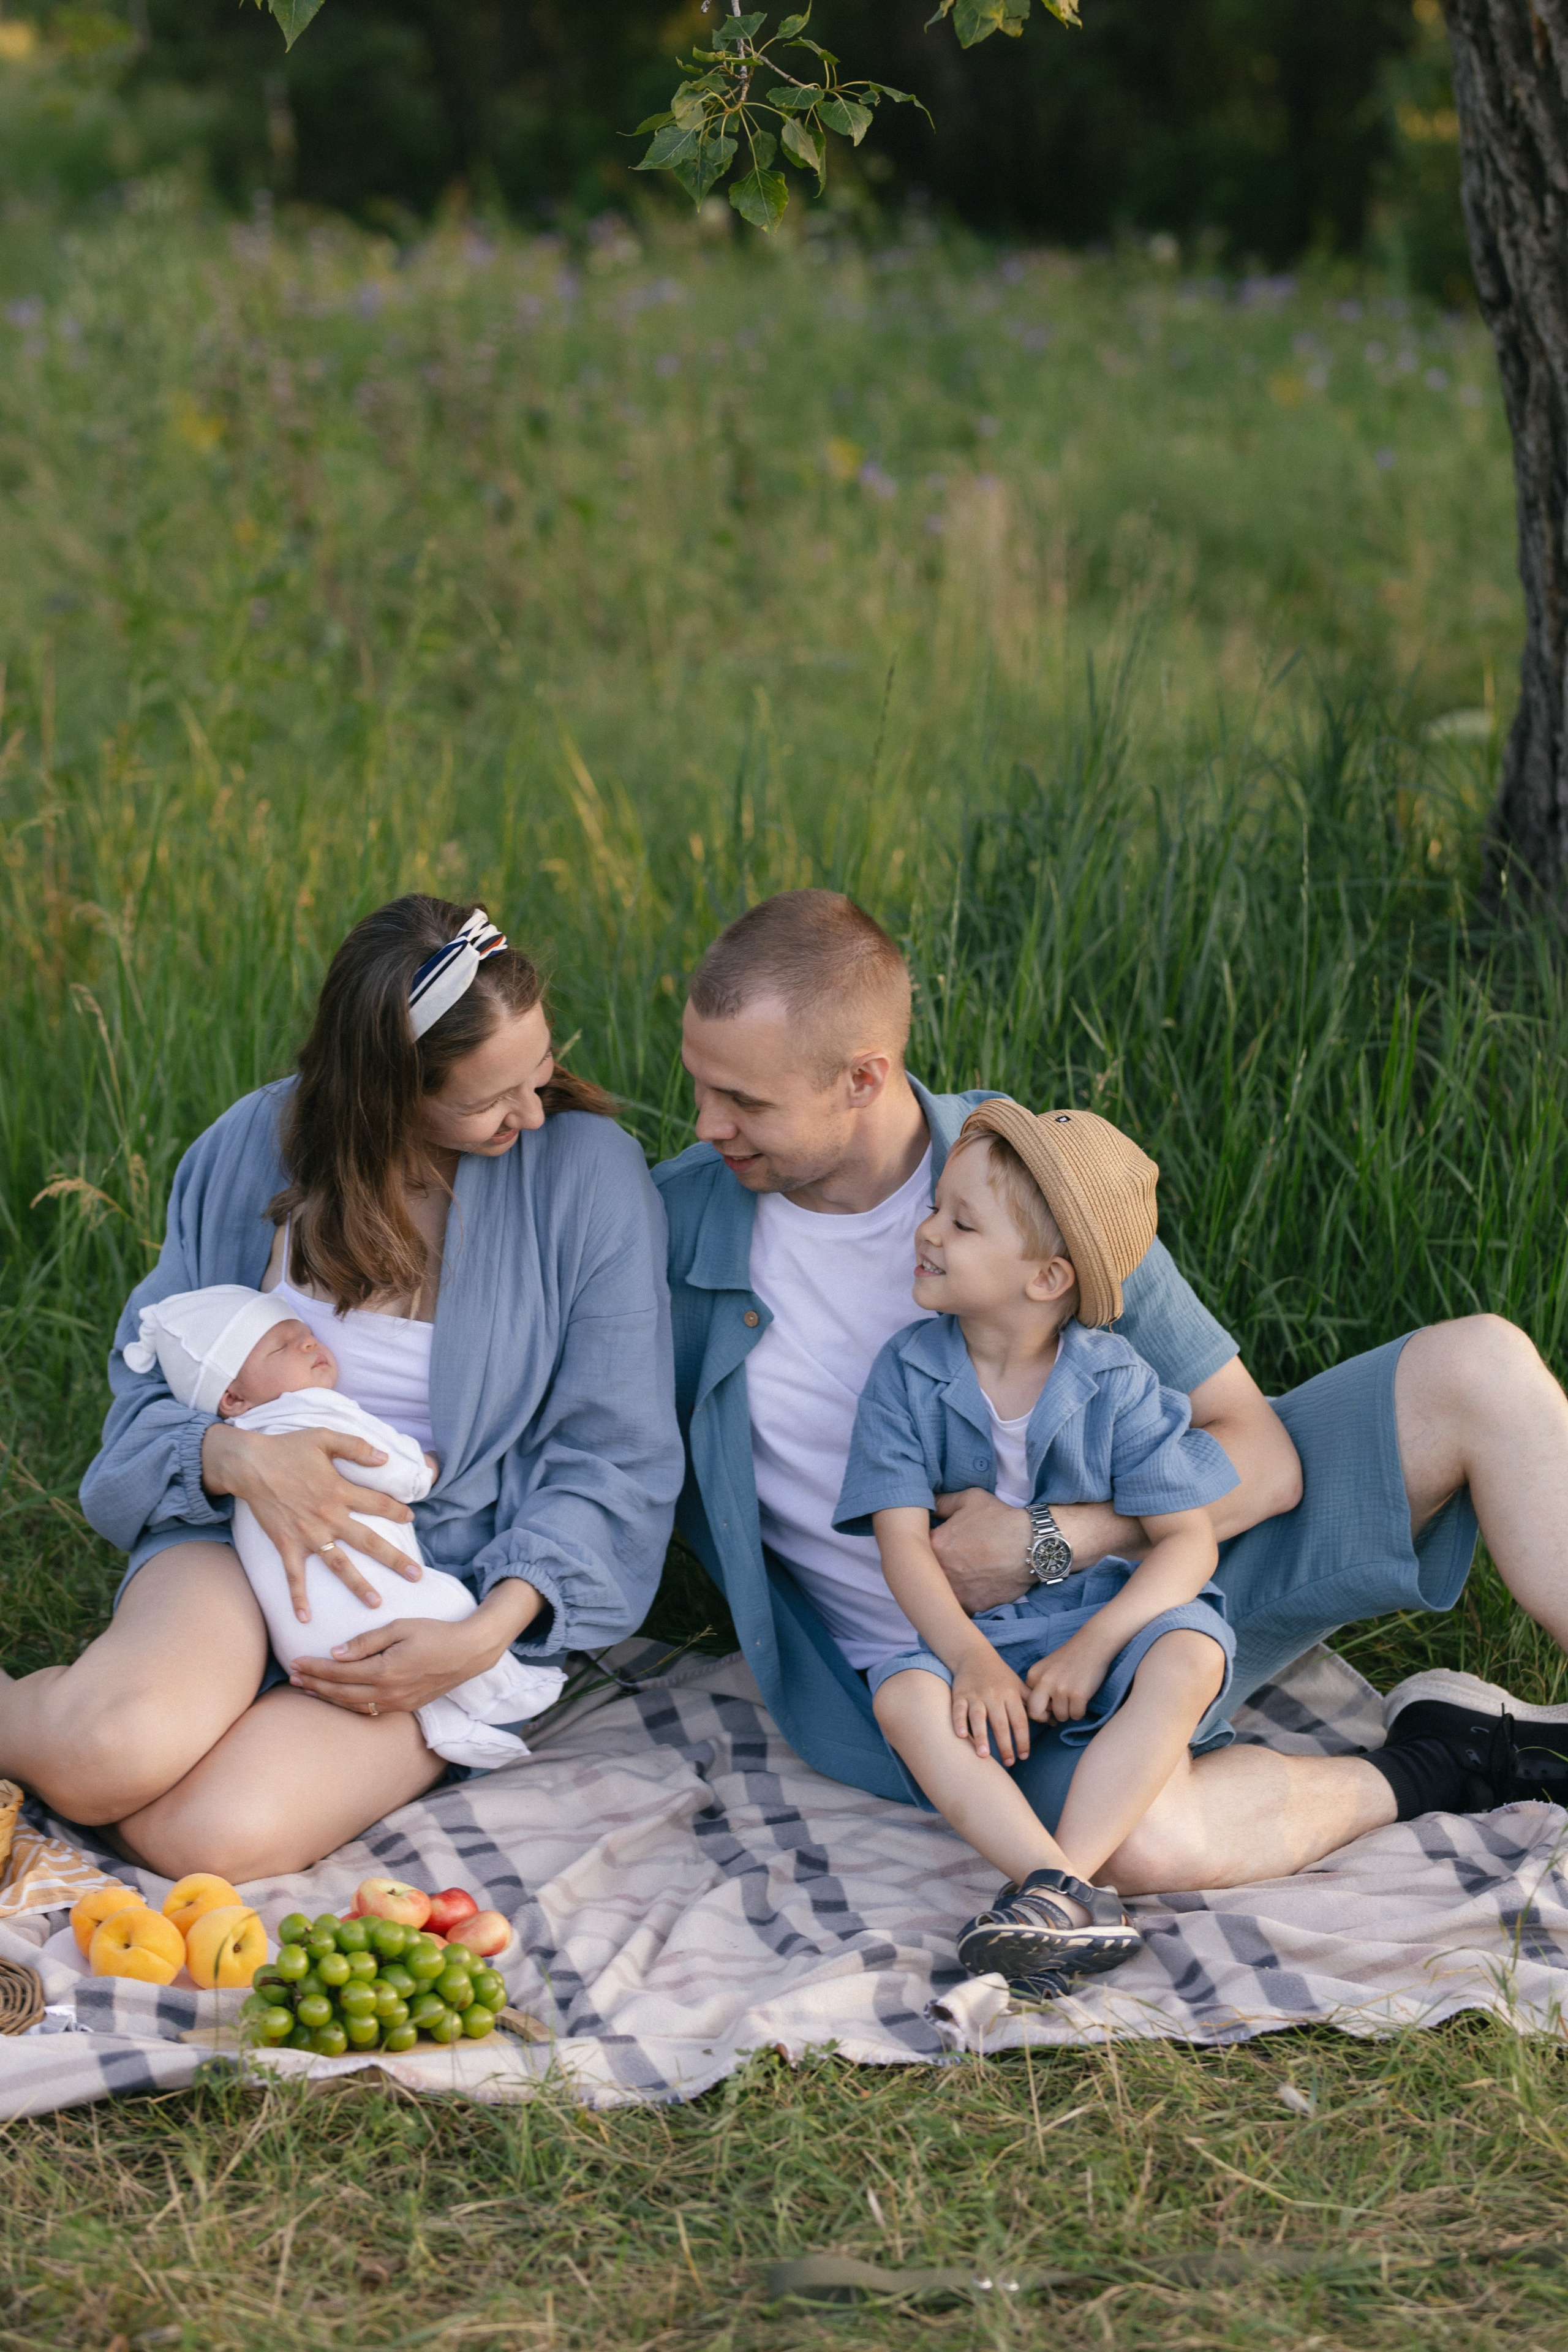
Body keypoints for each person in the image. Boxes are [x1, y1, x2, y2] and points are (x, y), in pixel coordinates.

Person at [654, 888, 1568, 1894]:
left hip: (1170, 1586)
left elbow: (1259, 1455)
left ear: (863, 1077)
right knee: (1142, 1845)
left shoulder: (1028, 1172)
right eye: (700, 1085)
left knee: (1481, 1366)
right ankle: (1445, 1758)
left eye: (745, 1101)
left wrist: (1050, 1541)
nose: (706, 1124)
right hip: (980, 1686)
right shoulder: (670, 1231)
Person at [1, 897, 683, 1880]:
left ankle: (166, 1742)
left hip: (431, 1588)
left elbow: (615, 1455)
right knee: (108, 1757)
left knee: (212, 1840)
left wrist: (481, 1637)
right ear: (384, 1092)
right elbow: (146, 1377)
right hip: (230, 1539)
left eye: (538, 1073)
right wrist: (232, 1456)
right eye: (489, 1100)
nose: (532, 1114)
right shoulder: (251, 1149)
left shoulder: (587, 1177)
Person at [837, 1100, 1238, 1986]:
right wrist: (969, 1660)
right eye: (935, 1209)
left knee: (1191, 1651)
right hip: (986, 1636)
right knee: (903, 1695)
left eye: (962, 1223)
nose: (928, 1231)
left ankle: (1057, 1894)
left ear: (1049, 1277)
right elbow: (902, 1545)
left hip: (1110, 1619)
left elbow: (1187, 1543)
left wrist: (1098, 1644)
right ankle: (1060, 1891)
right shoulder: (905, 1373)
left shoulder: (1118, 1382)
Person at [121, 1283, 565, 1770]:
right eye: (283, 1346)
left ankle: (448, 1728)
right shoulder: (311, 1411)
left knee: (394, 1685)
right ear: (233, 1397)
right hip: (372, 1603)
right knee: (448, 1607)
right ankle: (506, 1689)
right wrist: (422, 1470)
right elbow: (376, 1458)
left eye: (304, 1333)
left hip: (302, 1643)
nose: (308, 1343)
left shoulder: (242, 1448)